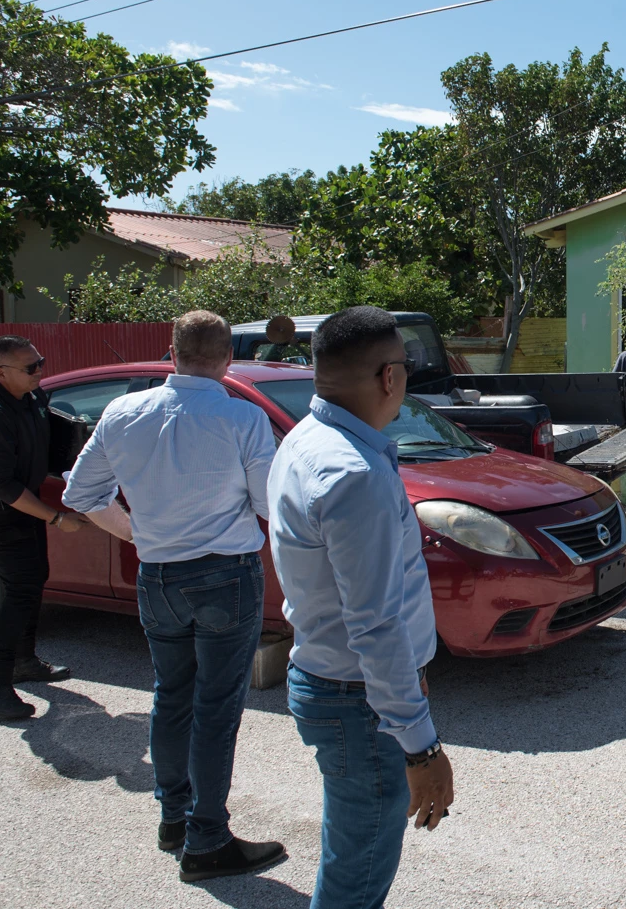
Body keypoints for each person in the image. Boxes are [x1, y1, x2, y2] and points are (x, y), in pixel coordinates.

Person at [61, 310, 285, 881]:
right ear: (228, 359)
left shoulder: (121, 412)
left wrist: (139, 532)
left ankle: (175, 818)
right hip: (225, 576)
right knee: (215, 710)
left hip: (158, 575)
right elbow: (269, 505)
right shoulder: (242, 418)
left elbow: (82, 495)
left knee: (171, 695)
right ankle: (207, 838)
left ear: (171, 351)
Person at [267, 306, 455, 909]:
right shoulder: (352, 472)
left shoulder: (309, 439)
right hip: (359, 702)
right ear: (388, 378)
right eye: (404, 364)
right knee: (358, 875)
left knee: (350, 853)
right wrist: (421, 747)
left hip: (340, 688)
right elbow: (375, 625)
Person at [0, 335, 85, 721]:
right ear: (0, 372)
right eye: (30, 367)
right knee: (19, 589)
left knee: (32, 580)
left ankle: (23, 661)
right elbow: (1, 486)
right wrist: (57, 518)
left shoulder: (30, 397)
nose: (39, 371)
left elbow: (52, 441)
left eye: (39, 362)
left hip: (18, 510)